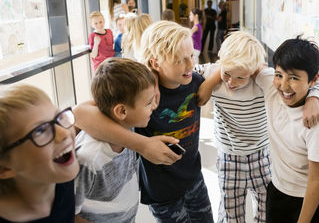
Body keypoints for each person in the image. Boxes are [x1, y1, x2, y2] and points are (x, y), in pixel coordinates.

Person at [74, 21, 214, 223]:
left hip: (193, 178)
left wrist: (212, 80)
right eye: (180, 60)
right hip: (162, 191)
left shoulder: (193, 79)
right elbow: (80, 112)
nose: (190, 65)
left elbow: (229, 64)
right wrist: (142, 144)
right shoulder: (140, 96)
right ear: (155, 63)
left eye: (191, 56)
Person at [195, 31, 319, 223]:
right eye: (226, 74)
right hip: (229, 157)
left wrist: (314, 98)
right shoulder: (211, 73)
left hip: (261, 156)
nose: (231, 83)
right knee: (230, 214)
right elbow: (180, 73)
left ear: (254, 71)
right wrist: (212, 79)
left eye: (241, 78)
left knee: (264, 212)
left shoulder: (265, 81)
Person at [255, 37, 319, 222]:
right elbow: (242, 63)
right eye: (279, 75)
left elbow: (317, 181)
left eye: (293, 78)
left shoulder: (316, 122)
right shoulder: (271, 85)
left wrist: (314, 97)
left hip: (314, 197)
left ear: (313, 80)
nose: (283, 85)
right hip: (279, 187)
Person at [74, 58, 157, 222]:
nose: (154, 106)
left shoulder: (129, 125)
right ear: (121, 111)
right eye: (148, 103)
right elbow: (67, 212)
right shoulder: (88, 158)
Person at [0, 84, 80, 222]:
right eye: (40, 130)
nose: (64, 133)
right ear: (4, 168)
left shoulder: (60, 174)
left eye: (59, 117)